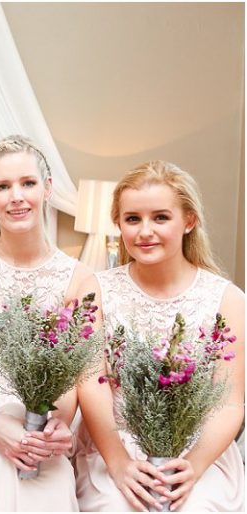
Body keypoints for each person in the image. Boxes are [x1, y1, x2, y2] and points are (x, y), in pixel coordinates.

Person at [75, 160, 244, 512]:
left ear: (189, 221)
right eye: (132, 219)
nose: (145, 231)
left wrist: (194, 466)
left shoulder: (228, 300)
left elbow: (230, 403)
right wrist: (119, 463)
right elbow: (90, 384)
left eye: (161, 218)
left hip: (199, 451)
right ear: (118, 223)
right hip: (115, 445)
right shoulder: (95, 291)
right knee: (117, 505)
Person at [0, 135, 90, 510]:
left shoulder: (79, 277)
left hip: (51, 413)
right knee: (3, 449)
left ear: (47, 188)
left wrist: (56, 423)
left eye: (27, 183)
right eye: (3, 187)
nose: (16, 197)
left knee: (49, 468)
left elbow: (73, 366)